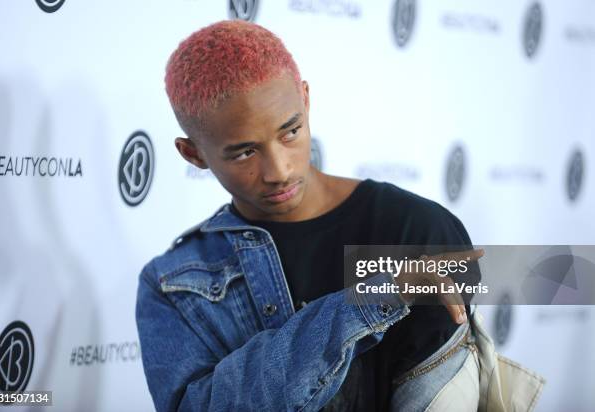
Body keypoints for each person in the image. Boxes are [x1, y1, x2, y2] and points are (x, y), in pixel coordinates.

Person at [135, 19, 484, 412]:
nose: (279, 171)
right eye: (245, 152)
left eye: (291, 132)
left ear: (305, 99)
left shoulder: (416, 229)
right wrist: (367, 303)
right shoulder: (173, 284)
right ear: (193, 154)